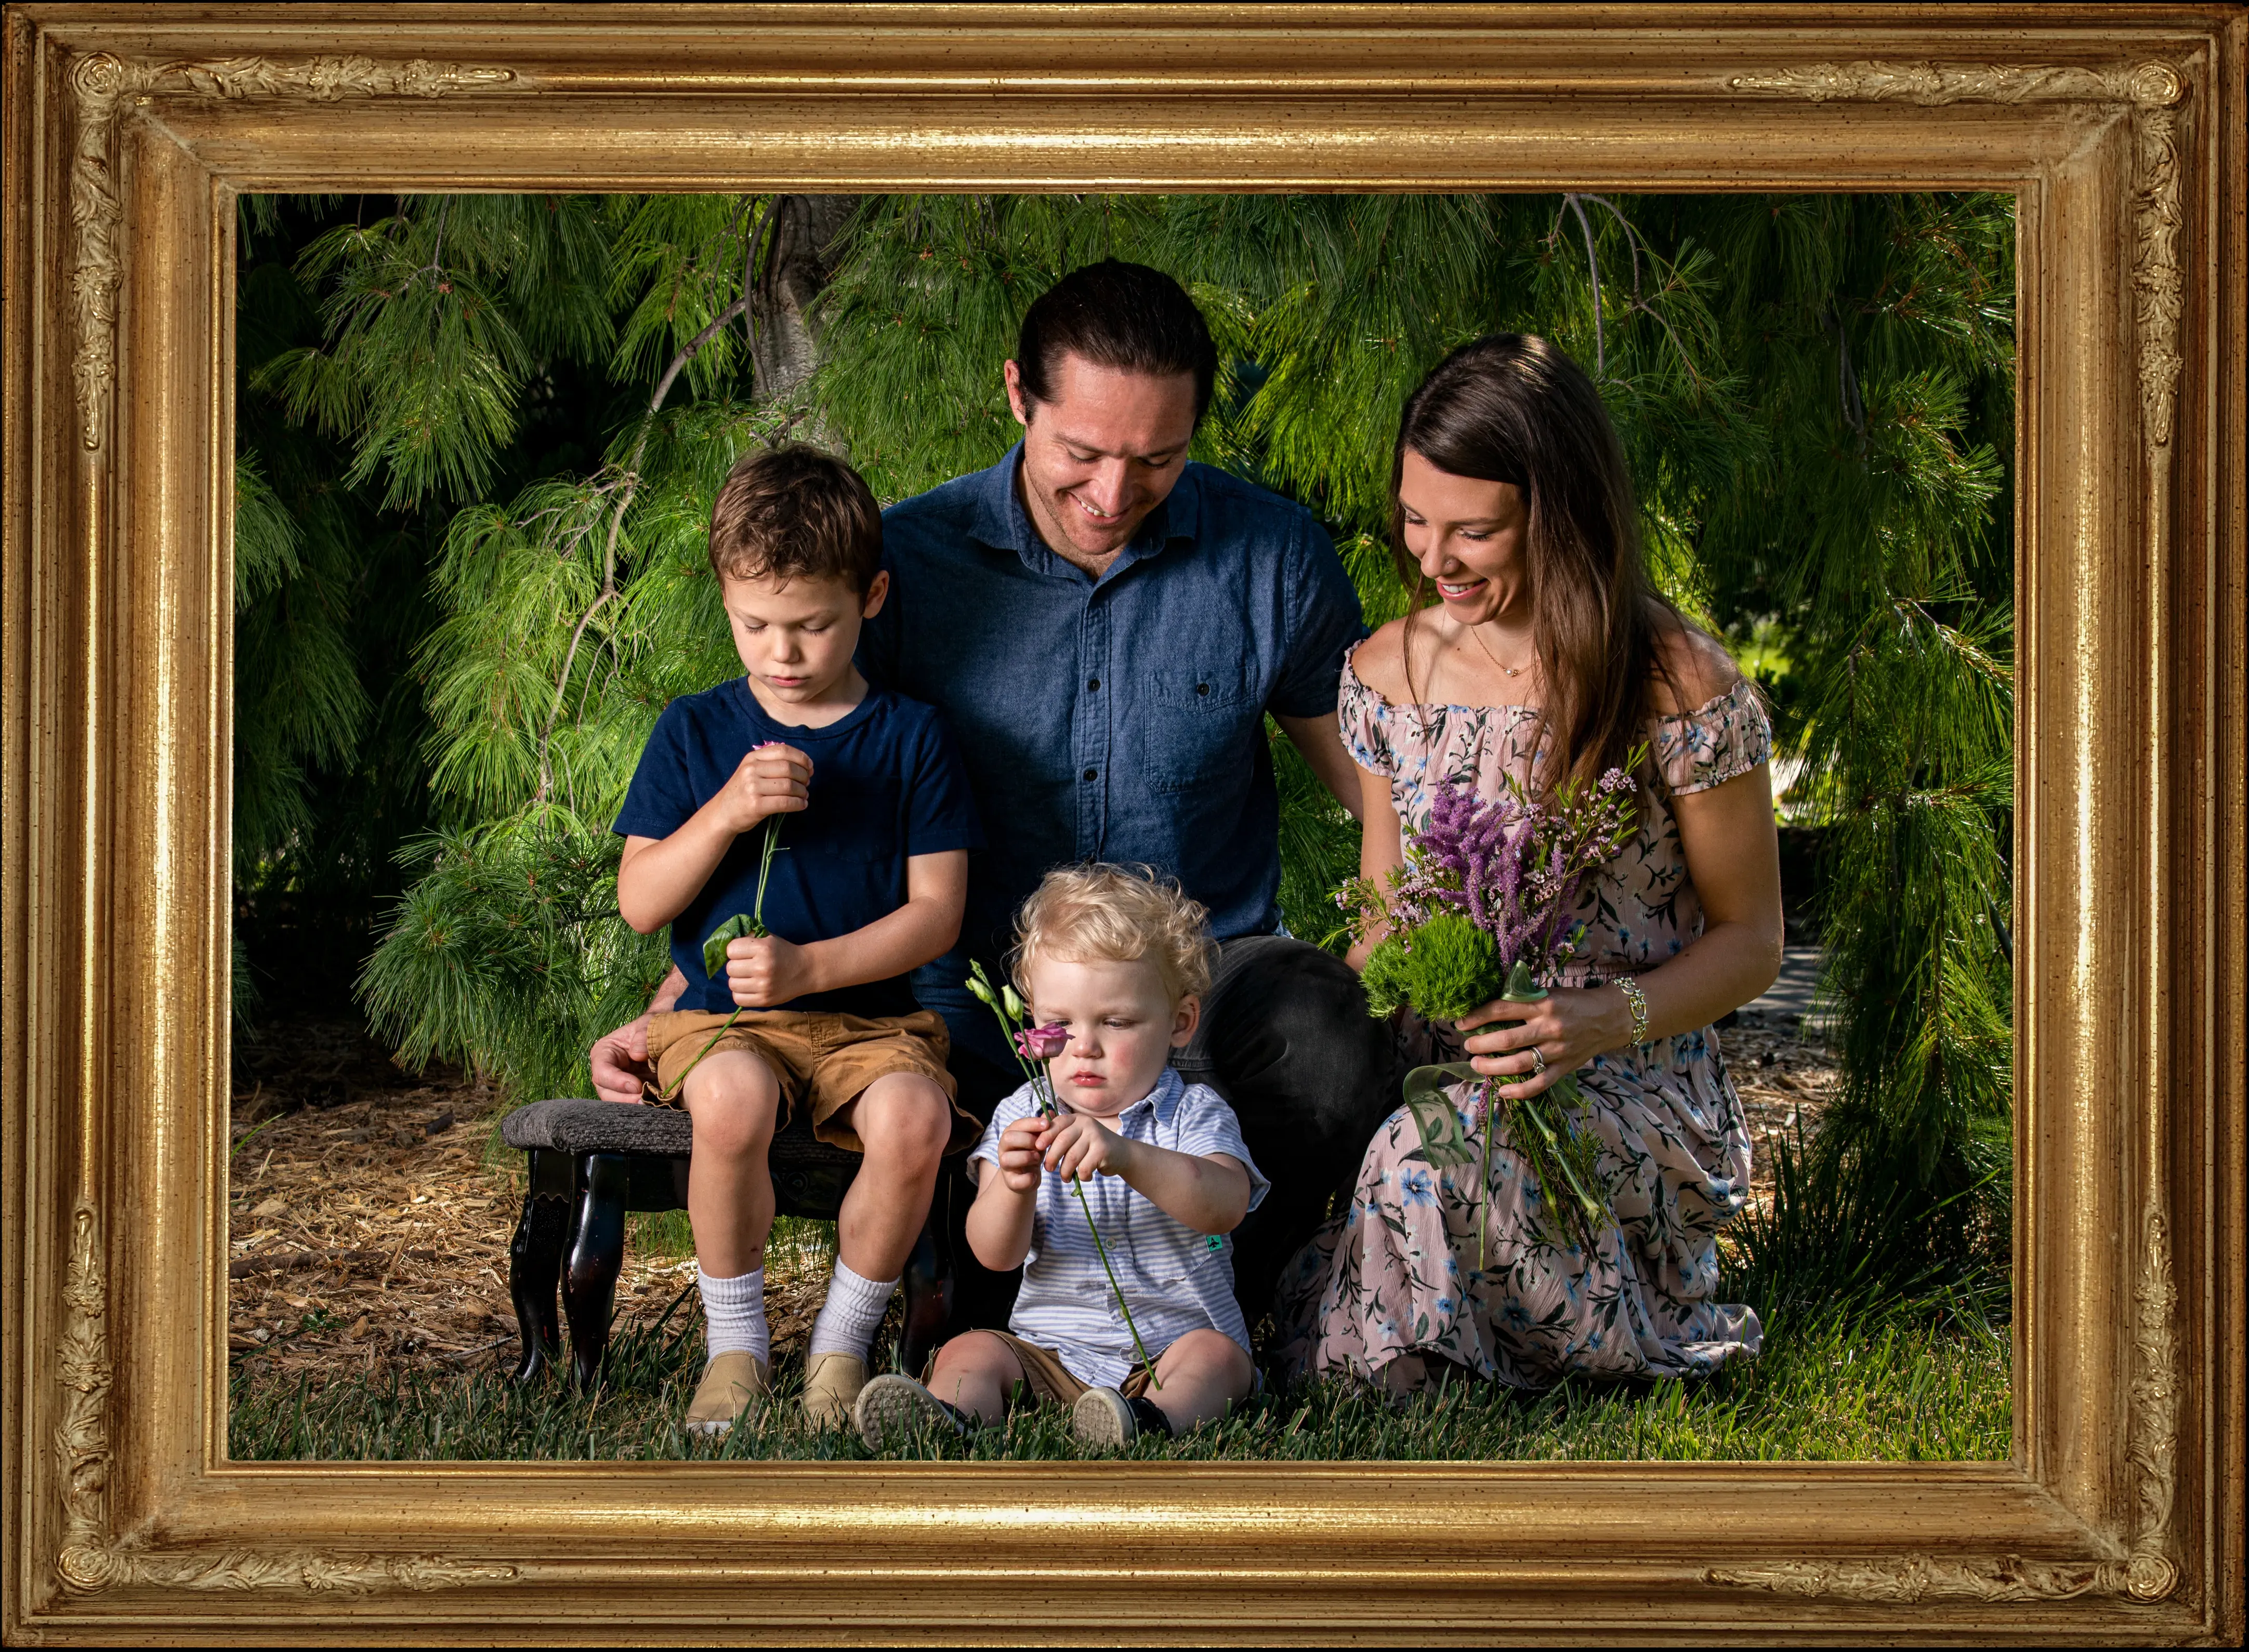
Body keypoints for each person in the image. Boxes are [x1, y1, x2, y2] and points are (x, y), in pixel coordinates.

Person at [591, 260, 1391, 1330]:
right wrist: (683, 993)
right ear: (1019, 394)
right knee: (971, 1323)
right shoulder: (906, 567)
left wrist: (1391, 935)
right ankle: (1006, 1314)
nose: (1113, 495)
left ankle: (1228, 1312)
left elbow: (1378, 784)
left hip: (1208, 977)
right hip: (976, 1000)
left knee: (1326, 1029)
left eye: (1157, 459)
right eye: (1082, 454)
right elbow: (809, 792)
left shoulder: (1271, 554)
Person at [1272, 334, 1782, 1393]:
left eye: (1475, 529)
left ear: (1559, 513)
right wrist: (1406, 999)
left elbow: (1753, 940)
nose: (1434, 558)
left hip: (1624, 1071)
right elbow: (1379, 921)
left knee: (1435, 1153)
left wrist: (1604, 1017)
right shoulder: (1383, 671)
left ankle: (1414, 1364)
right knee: (1398, 1125)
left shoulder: (1677, 685)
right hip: (1447, 1056)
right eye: (1416, 520)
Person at [611, 445, 984, 1435]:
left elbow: (936, 912)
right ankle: (735, 1344)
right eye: (755, 624)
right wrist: (727, 810)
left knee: (915, 1119)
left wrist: (811, 967)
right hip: (724, 1024)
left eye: (813, 623)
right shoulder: (695, 732)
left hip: (873, 1021)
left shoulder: (912, 737)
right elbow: (643, 902)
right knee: (730, 1097)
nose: (782, 650)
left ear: (872, 595)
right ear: (725, 602)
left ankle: (840, 1345)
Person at [853, 865, 1265, 1450]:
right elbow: (995, 1254)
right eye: (1059, 1025)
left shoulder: (1194, 1113)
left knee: (1218, 1358)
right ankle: (954, 1417)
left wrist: (1127, 1155)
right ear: (1032, 1022)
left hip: (1170, 1349)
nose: (1085, 1046)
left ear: (1180, 1021)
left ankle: (1149, 1419)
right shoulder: (1024, 1111)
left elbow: (1224, 1203)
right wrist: (1014, 1186)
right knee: (970, 1348)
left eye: (1116, 1021)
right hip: (1051, 1355)